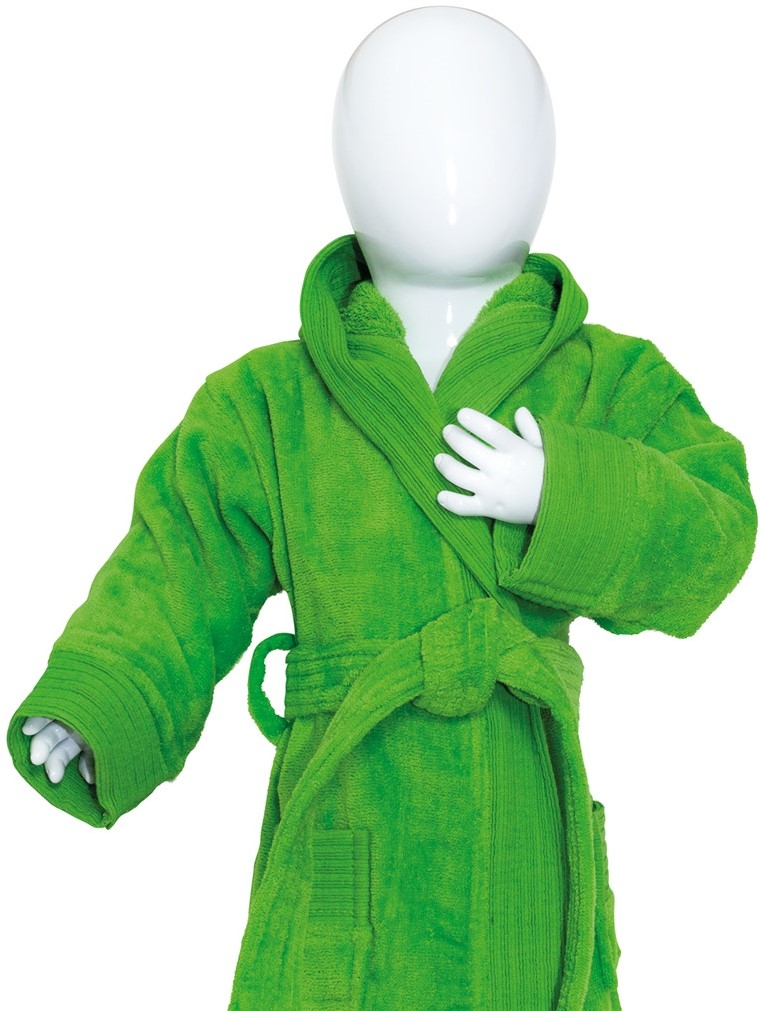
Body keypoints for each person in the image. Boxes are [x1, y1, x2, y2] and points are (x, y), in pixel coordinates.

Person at [8, 7, 756, 1009]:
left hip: (522, 819)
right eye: (405, 129)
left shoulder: (606, 381)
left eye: (489, 128)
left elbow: (716, 530)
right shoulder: (269, 402)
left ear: (544, 157)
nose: (449, 161)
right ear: (347, 159)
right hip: (351, 804)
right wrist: (106, 697)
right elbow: (182, 565)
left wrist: (565, 493)